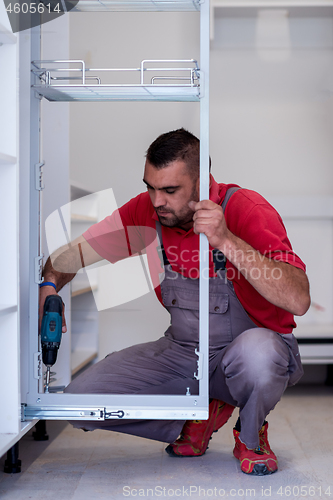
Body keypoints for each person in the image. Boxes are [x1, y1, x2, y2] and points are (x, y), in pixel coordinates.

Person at [39, 128, 310, 476]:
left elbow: (298, 298)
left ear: (201, 184)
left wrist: (225, 239)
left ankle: (250, 434)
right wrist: (49, 284)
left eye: (169, 190)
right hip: (184, 352)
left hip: (247, 352)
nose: (156, 201)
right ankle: (194, 421)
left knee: (260, 355)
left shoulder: (246, 209)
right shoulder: (148, 213)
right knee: (80, 402)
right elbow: (72, 255)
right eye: (150, 187)